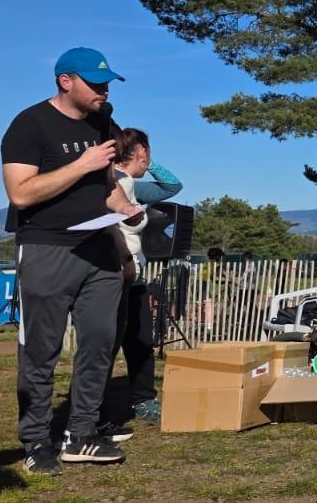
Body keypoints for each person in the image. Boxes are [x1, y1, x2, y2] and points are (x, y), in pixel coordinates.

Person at [1, 47, 142, 475]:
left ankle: (81, 434)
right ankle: (36, 440)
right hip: (46, 248)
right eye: (95, 83)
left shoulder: (103, 123)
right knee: (41, 351)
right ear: (66, 81)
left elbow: (107, 189)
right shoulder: (29, 125)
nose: (103, 91)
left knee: (100, 341)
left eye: (107, 84)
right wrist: (80, 164)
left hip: (99, 248)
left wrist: (129, 213)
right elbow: (21, 193)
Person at [101, 127, 182, 433]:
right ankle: (99, 409)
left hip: (134, 276)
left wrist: (145, 162)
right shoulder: (119, 181)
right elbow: (173, 185)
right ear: (142, 153)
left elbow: (172, 187)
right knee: (108, 345)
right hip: (113, 272)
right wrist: (150, 161)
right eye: (146, 154)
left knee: (140, 341)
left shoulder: (130, 183)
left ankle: (142, 399)